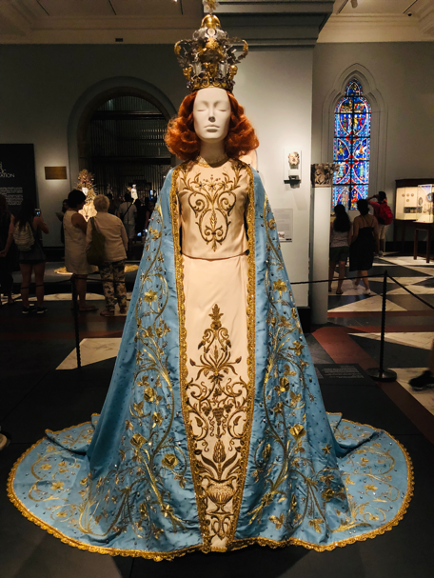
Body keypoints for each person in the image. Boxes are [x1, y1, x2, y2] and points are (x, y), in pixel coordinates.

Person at [8, 9, 411, 559]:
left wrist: (272, 310)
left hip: (240, 288)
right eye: (204, 107)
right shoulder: (176, 178)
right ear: (189, 118)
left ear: (234, 114)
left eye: (222, 105)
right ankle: (182, 504)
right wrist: (157, 309)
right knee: (178, 384)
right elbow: (159, 252)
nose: (214, 115)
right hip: (188, 288)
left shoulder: (249, 177)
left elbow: (265, 249)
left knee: (250, 386)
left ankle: (251, 499)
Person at [2, 199, 48, 314]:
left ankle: (25, 306)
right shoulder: (36, 219)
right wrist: (41, 219)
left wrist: (6, 249)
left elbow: (11, 235)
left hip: (23, 253)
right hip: (36, 252)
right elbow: (46, 231)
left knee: (25, 280)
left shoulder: (16, 220)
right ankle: (40, 306)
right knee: (39, 281)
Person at [87, 195, 128, 317]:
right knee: (120, 281)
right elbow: (124, 238)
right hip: (119, 254)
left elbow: (89, 239)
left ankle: (110, 308)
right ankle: (123, 306)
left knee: (107, 282)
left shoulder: (93, 221)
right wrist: (125, 249)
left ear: (95, 206)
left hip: (104, 255)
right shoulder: (116, 219)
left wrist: (87, 252)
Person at [64, 189, 97, 312]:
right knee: (82, 277)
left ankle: (74, 302)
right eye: (82, 202)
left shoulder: (67, 214)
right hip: (80, 250)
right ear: (78, 202)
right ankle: (82, 304)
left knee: (76, 277)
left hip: (71, 249)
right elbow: (88, 232)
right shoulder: (77, 216)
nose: (84, 204)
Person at [349, 198, 379, 295]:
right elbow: (376, 234)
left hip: (360, 243)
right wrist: (377, 246)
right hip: (369, 243)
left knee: (362, 267)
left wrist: (350, 243)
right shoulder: (374, 219)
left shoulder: (357, 219)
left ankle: (367, 288)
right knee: (362, 264)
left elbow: (356, 234)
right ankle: (357, 282)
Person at [328, 204, 352, 294]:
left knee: (331, 268)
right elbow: (350, 237)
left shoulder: (333, 224)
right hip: (344, 247)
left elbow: (330, 236)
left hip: (334, 247)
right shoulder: (349, 224)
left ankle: (329, 286)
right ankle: (339, 288)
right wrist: (348, 246)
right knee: (342, 268)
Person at [367, 191, 393, 256]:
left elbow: (366, 200)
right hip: (385, 222)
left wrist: (373, 196)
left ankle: (376, 251)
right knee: (382, 237)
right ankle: (381, 251)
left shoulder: (376, 204)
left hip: (378, 222)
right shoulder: (385, 202)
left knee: (376, 237)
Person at [0, 194, 15, 305]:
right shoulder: (10, 216)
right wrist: (6, 248)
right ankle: (9, 296)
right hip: (6, 247)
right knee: (7, 272)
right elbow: (11, 234)